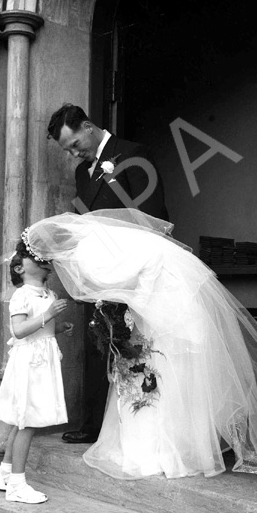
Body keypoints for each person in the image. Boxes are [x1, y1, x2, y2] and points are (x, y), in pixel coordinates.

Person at [23, 209, 257, 480]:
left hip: (169, 302)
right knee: (162, 370)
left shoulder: (88, 252)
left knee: (169, 368)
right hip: (158, 301)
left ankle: (170, 450)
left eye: (47, 263)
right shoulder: (97, 240)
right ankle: (173, 446)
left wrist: (116, 315)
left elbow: (132, 277)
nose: (53, 270)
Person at [47, 103, 169, 444]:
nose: (73, 154)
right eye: (67, 150)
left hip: (135, 267)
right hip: (101, 272)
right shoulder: (81, 174)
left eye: (74, 145)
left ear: (88, 127)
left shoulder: (132, 154)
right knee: (101, 340)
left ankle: (140, 424)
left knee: (138, 344)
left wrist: (135, 267)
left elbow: (153, 214)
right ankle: (95, 426)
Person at [0, 239, 74, 503]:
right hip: (29, 362)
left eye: (41, 257)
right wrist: (49, 315)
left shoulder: (48, 295)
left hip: (43, 358)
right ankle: (17, 484)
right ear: (20, 269)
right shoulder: (22, 295)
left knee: (22, 420)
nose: (39, 259)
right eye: (30, 256)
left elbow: (42, 328)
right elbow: (18, 331)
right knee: (27, 420)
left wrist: (59, 328)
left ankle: (4, 473)